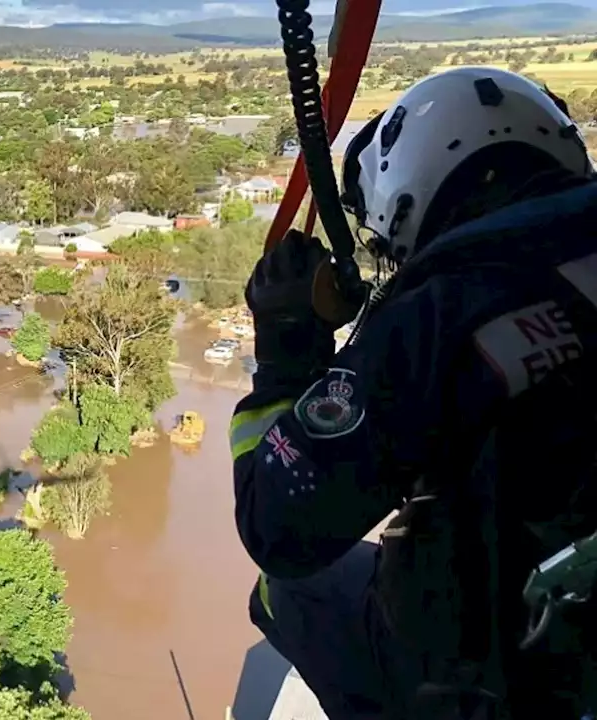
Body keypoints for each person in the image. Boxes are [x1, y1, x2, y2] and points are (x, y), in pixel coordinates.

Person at [232, 66, 597, 720]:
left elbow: (278, 525)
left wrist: (286, 354)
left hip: (530, 677)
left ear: (409, 199)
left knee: (288, 587)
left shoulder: (440, 316)